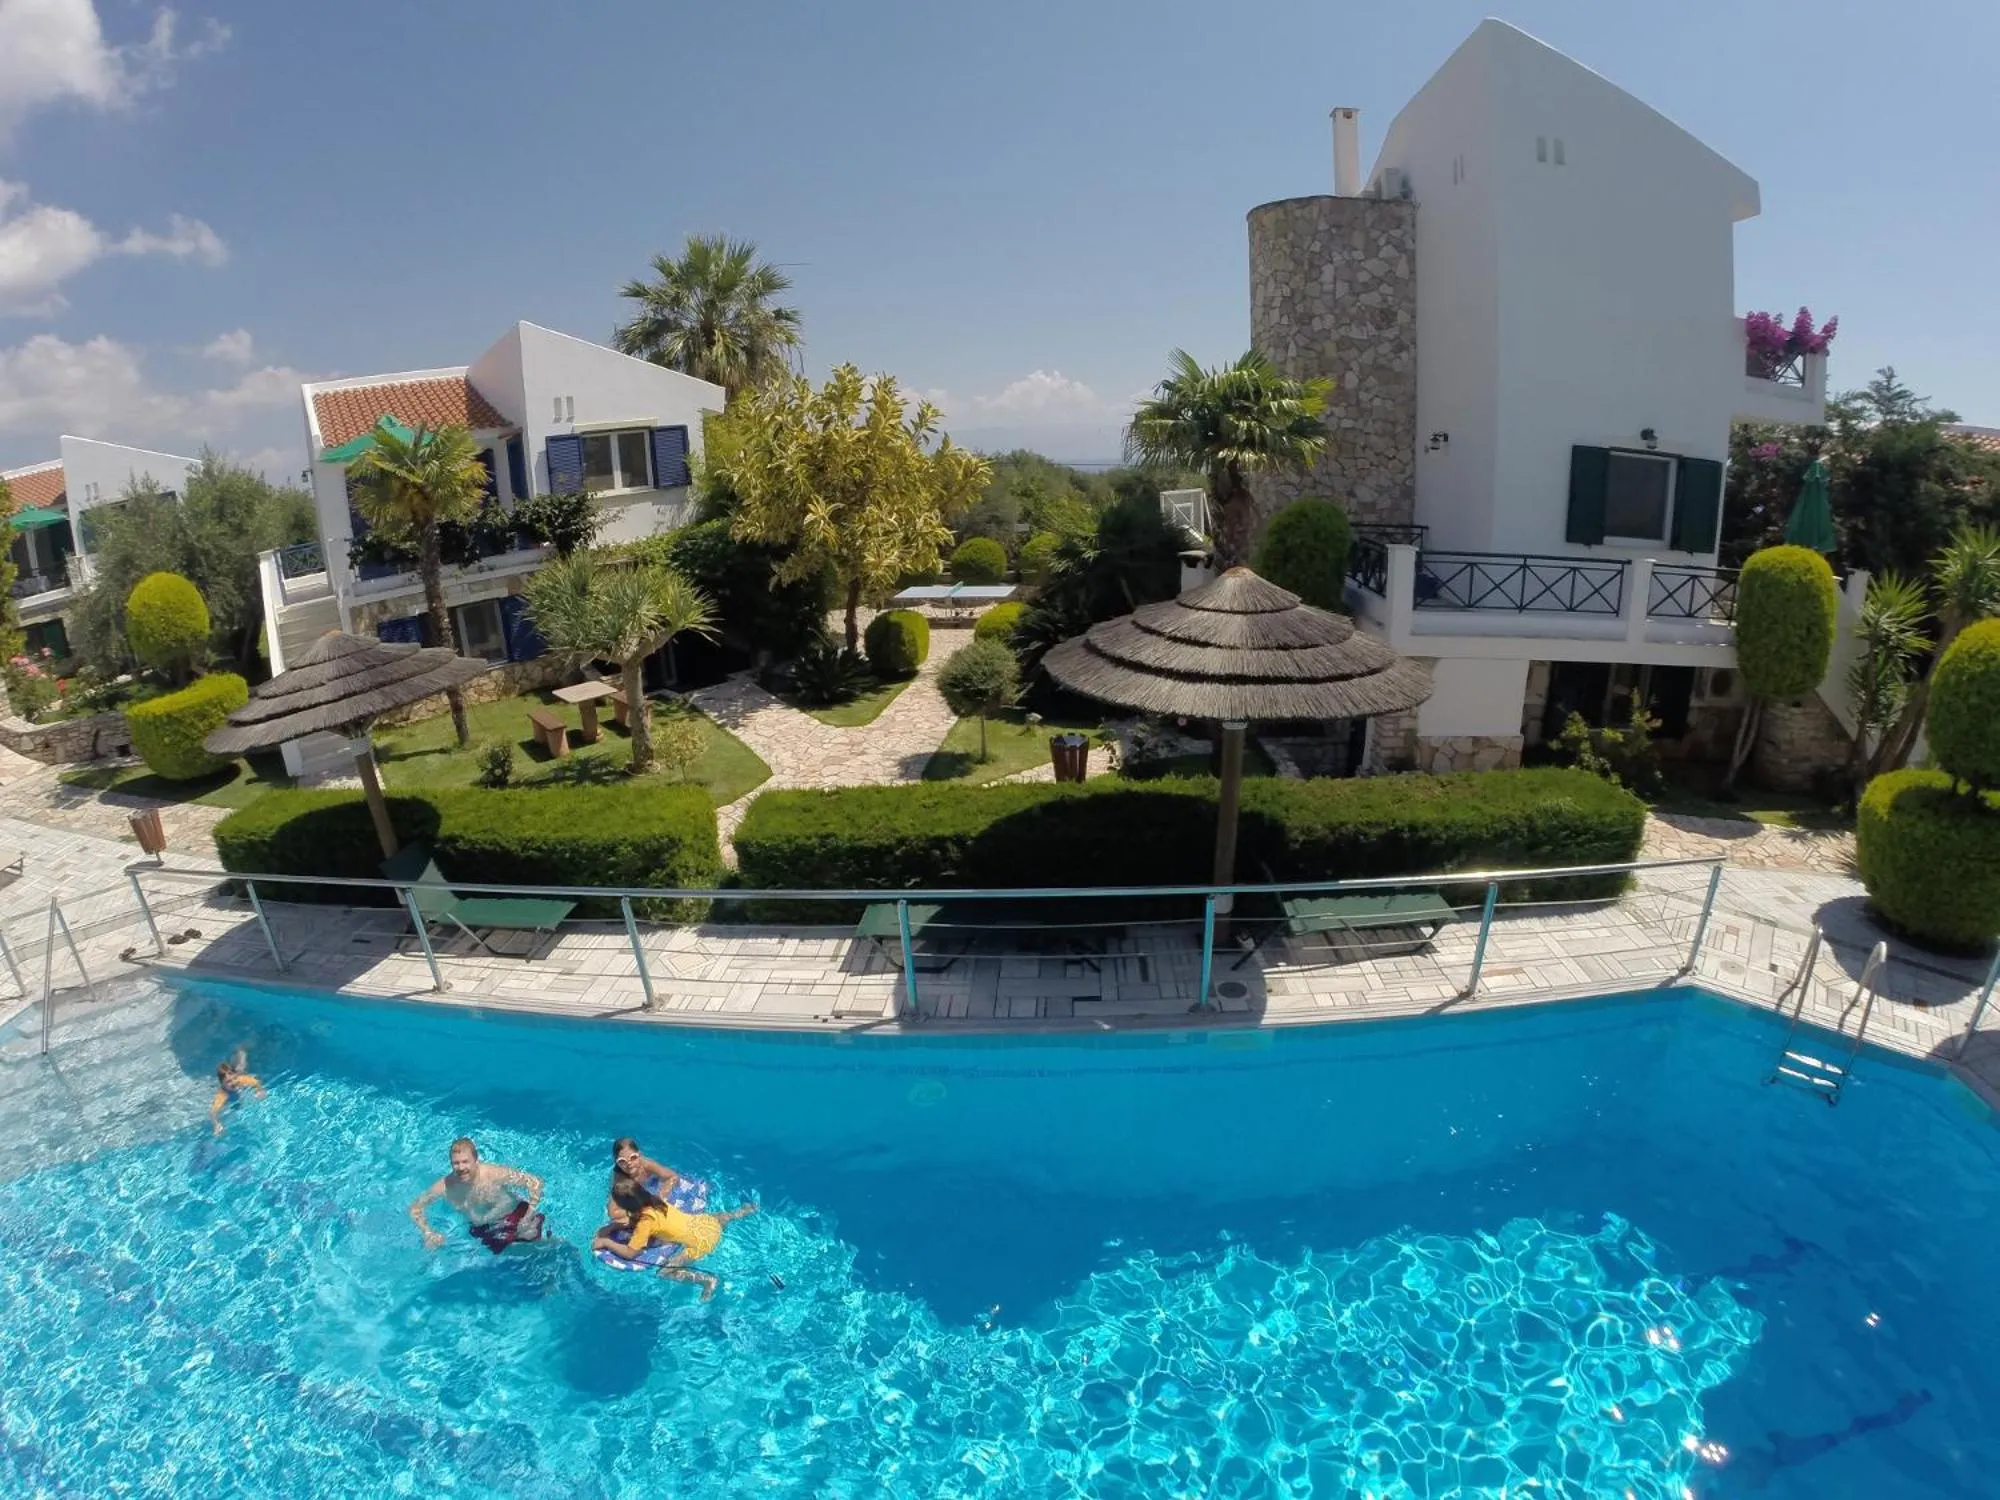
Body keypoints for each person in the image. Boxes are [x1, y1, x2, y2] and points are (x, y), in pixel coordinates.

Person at [592, 1168, 754, 1300]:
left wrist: (606, 1242)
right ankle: (742, 1212)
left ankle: (707, 1281)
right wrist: (618, 1224)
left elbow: (631, 1253)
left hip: (702, 1243)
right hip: (707, 1223)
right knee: (718, 1218)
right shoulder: (656, 1200)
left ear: (626, 1207)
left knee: (664, 1273)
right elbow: (637, 1218)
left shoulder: (645, 1223)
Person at [409, 1138, 547, 1253]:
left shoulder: (493, 1174)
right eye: (456, 1163)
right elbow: (415, 1208)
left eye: (465, 1162)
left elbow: (535, 1182)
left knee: (543, 1251)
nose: (461, 1168)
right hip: (483, 1230)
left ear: (476, 1160)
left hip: (516, 1218)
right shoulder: (445, 1185)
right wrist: (428, 1232)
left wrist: (527, 1217)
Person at [208, 1049, 266, 1137]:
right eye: (228, 1082)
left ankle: (242, 1052)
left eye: (234, 1078)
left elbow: (256, 1083)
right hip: (233, 1095)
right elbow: (213, 1112)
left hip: (240, 1076)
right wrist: (216, 1124)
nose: (233, 1082)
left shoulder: (241, 1080)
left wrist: (260, 1090)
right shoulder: (222, 1095)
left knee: (242, 1067)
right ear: (222, 1084)